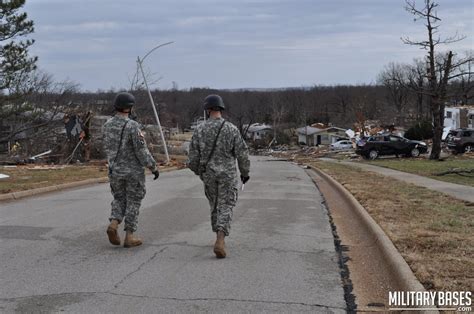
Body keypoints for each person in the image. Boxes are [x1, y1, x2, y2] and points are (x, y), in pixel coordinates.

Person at [188, 94, 250, 258]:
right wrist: (245, 173)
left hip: (209, 174)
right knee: (226, 205)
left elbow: (192, 159)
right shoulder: (231, 129)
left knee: (214, 205)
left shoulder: (200, 130)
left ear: (207, 110)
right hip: (227, 175)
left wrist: (200, 172)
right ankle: (220, 239)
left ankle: (217, 235)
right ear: (221, 109)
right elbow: (242, 154)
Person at [103, 92, 160, 248]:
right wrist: (153, 166)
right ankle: (130, 235)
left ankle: (114, 224)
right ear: (130, 107)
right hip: (132, 171)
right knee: (133, 201)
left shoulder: (107, 125)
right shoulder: (132, 126)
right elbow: (141, 150)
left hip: (115, 170)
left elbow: (107, 147)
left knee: (119, 198)